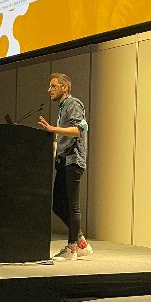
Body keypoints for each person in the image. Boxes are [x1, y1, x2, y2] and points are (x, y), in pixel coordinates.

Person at [38, 72, 92, 261]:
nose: (49, 90)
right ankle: (81, 242)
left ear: (65, 87)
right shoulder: (63, 107)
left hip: (73, 161)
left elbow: (79, 130)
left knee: (72, 206)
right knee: (57, 206)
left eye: (53, 86)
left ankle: (72, 249)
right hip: (63, 161)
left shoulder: (73, 104)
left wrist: (53, 129)